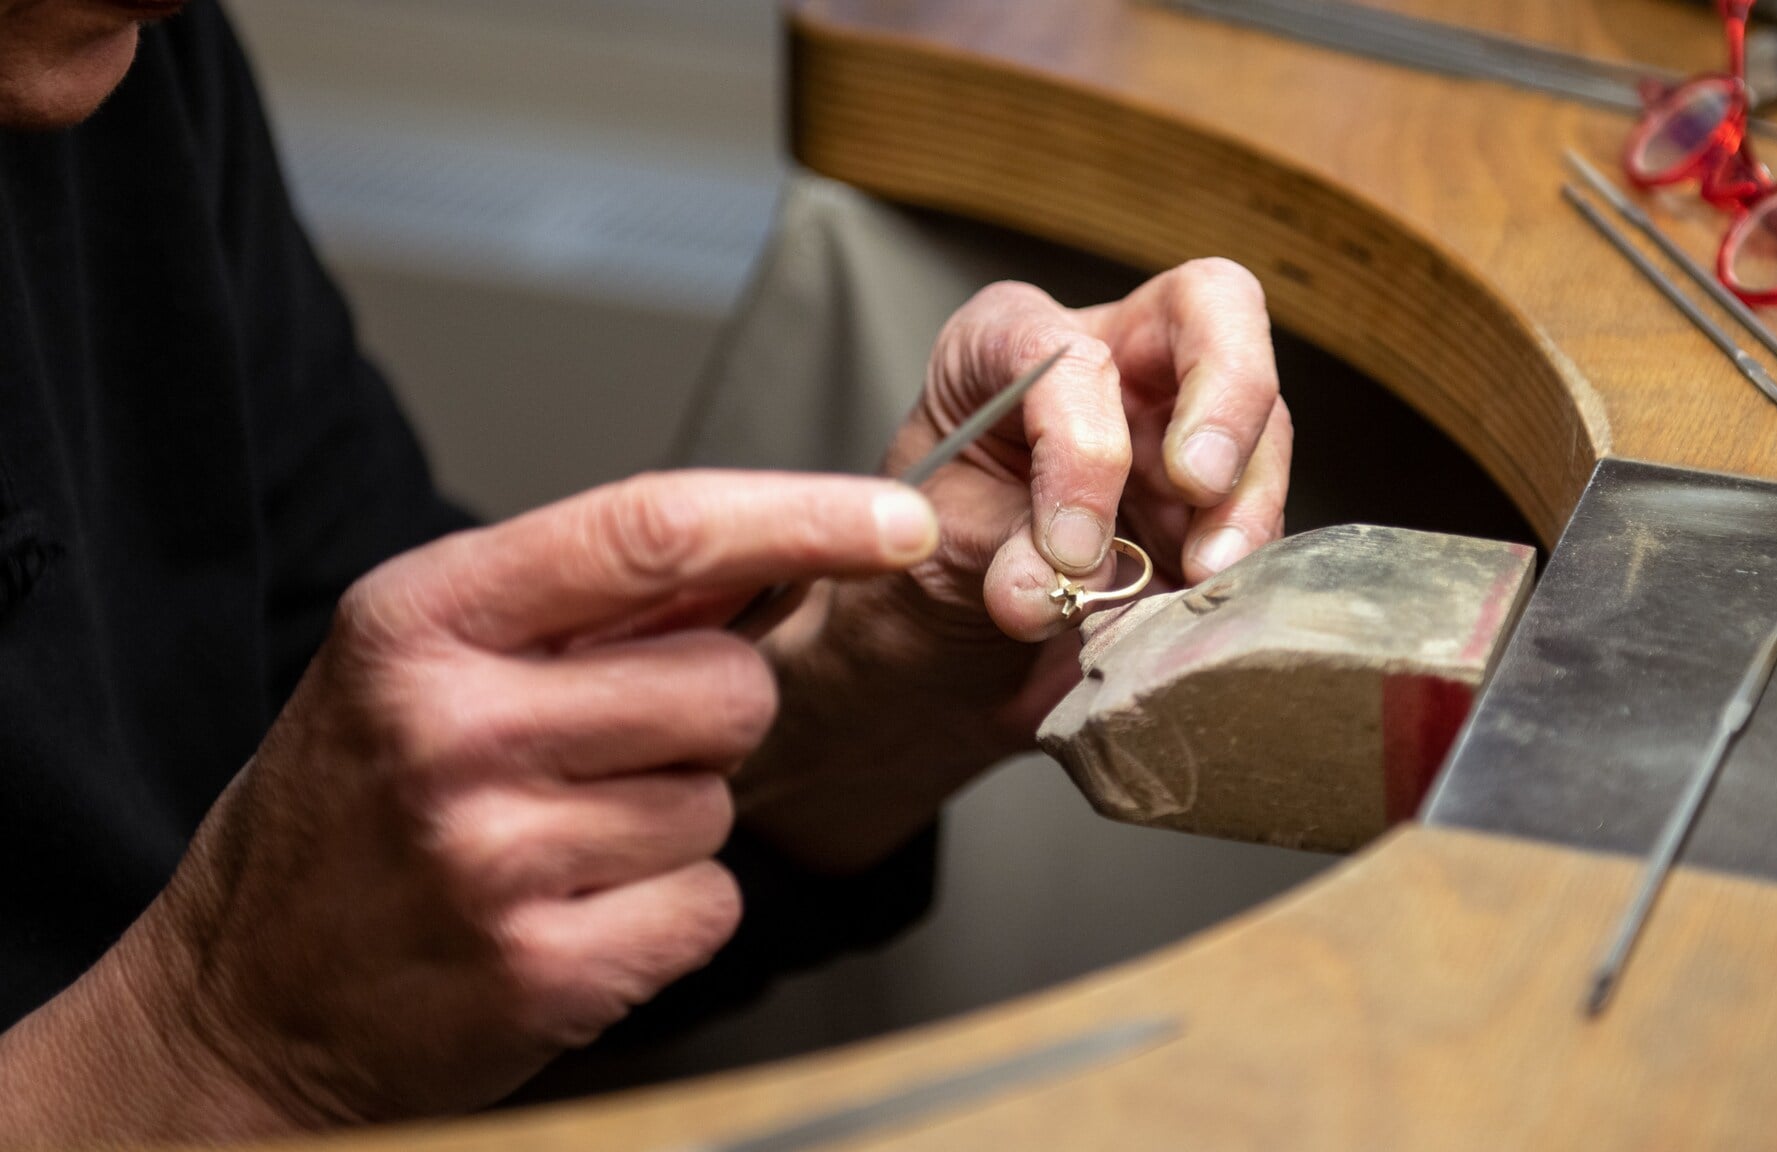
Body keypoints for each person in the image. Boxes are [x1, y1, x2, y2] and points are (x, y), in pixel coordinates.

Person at [0, 0, 1292, 1143]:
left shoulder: (136, 80)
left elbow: (387, 854)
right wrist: (204, 1052)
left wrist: (864, 682)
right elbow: (283, 968)